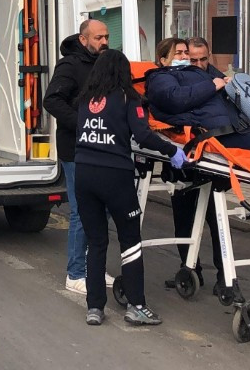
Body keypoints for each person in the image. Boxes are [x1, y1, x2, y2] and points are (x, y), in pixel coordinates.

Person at [74, 49, 185, 327]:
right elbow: (143, 134)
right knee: (130, 241)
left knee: (96, 242)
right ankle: (136, 305)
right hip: (115, 177)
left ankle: (94, 308)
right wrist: (172, 151)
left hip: (84, 175)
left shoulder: (86, 99)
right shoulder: (128, 97)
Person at [43, 18, 109, 295]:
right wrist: (83, 124)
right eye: (98, 38)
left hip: (101, 147)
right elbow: (52, 100)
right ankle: (76, 273)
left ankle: (92, 268)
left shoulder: (103, 64)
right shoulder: (70, 65)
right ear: (83, 40)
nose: (104, 42)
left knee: (99, 211)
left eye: (106, 37)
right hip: (76, 148)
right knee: (82, 212)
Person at [163, 37, 227, 296]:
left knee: (217, 221)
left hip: (212, 163)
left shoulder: (217, 79)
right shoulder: (176, 78)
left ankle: (225, 276)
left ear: (208, 56)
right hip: (184, 163)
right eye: (193, 60)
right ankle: (190, 270)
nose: (199, 64)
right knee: (183, 219)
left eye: (203, 59)